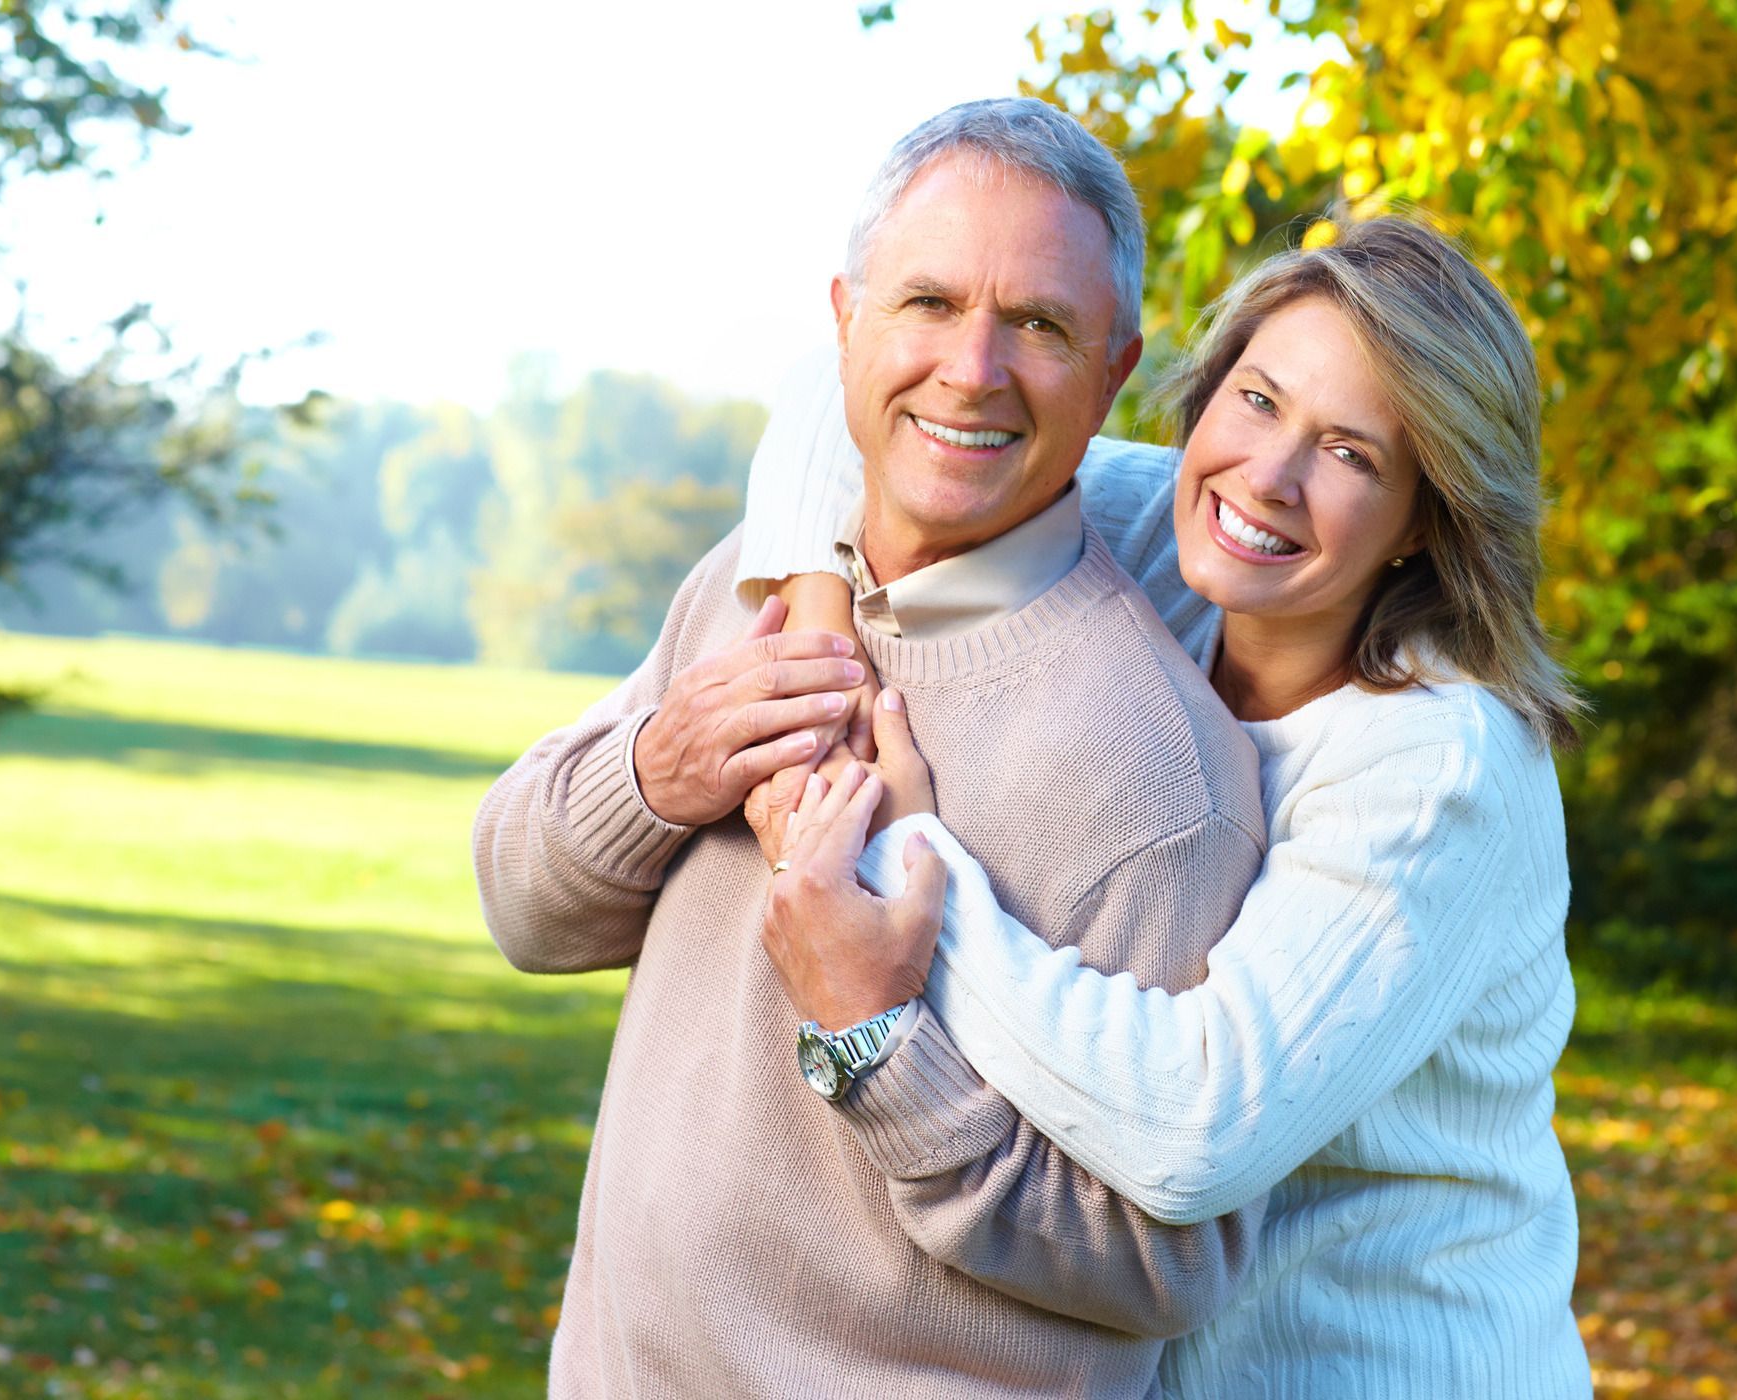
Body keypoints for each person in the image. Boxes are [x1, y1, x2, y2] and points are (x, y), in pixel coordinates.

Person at [471, 98, 1270, 1398]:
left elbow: (1164, 1264)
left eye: (1039, 326)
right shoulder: (751, 585)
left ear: (1116, 372)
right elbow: (522, 911)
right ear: (845, 320)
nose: (971, 369)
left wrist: (879, 1045)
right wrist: (657, 774)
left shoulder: (1158, 780)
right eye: (929, 304)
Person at [741, 214, 1596, 1397]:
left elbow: (1193, 1130)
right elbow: (830, 394)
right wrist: (825, 637)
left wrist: (904, 861)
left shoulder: (1438, 763)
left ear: (1427, 520)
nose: (1270, 476)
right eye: (1257, 400)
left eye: (1352, 455)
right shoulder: (1165, 535)